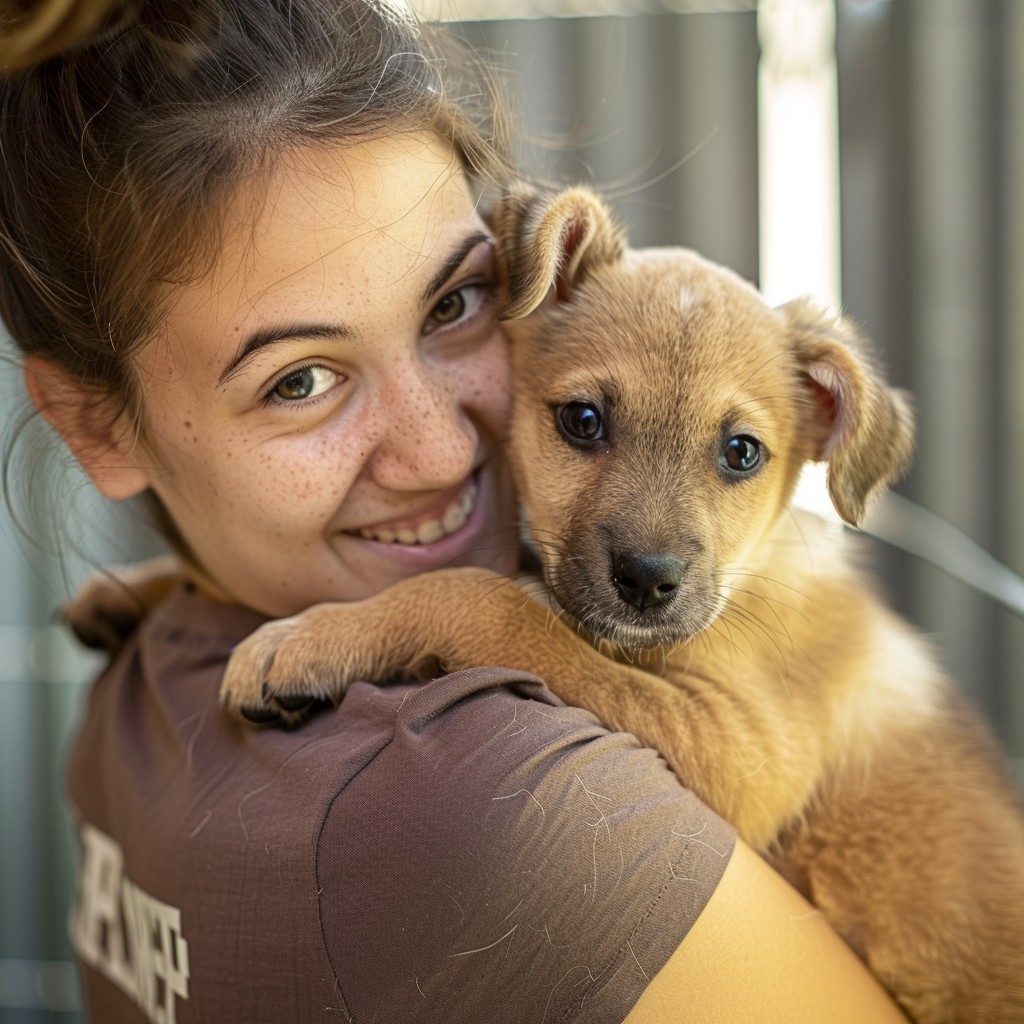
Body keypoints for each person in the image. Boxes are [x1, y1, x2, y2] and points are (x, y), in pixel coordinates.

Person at [1, 1, 907, 1020]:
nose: (441, 449)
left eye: (453, 305)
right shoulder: (503, 801)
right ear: (98, 426)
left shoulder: (133, 692)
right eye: (299, 380)